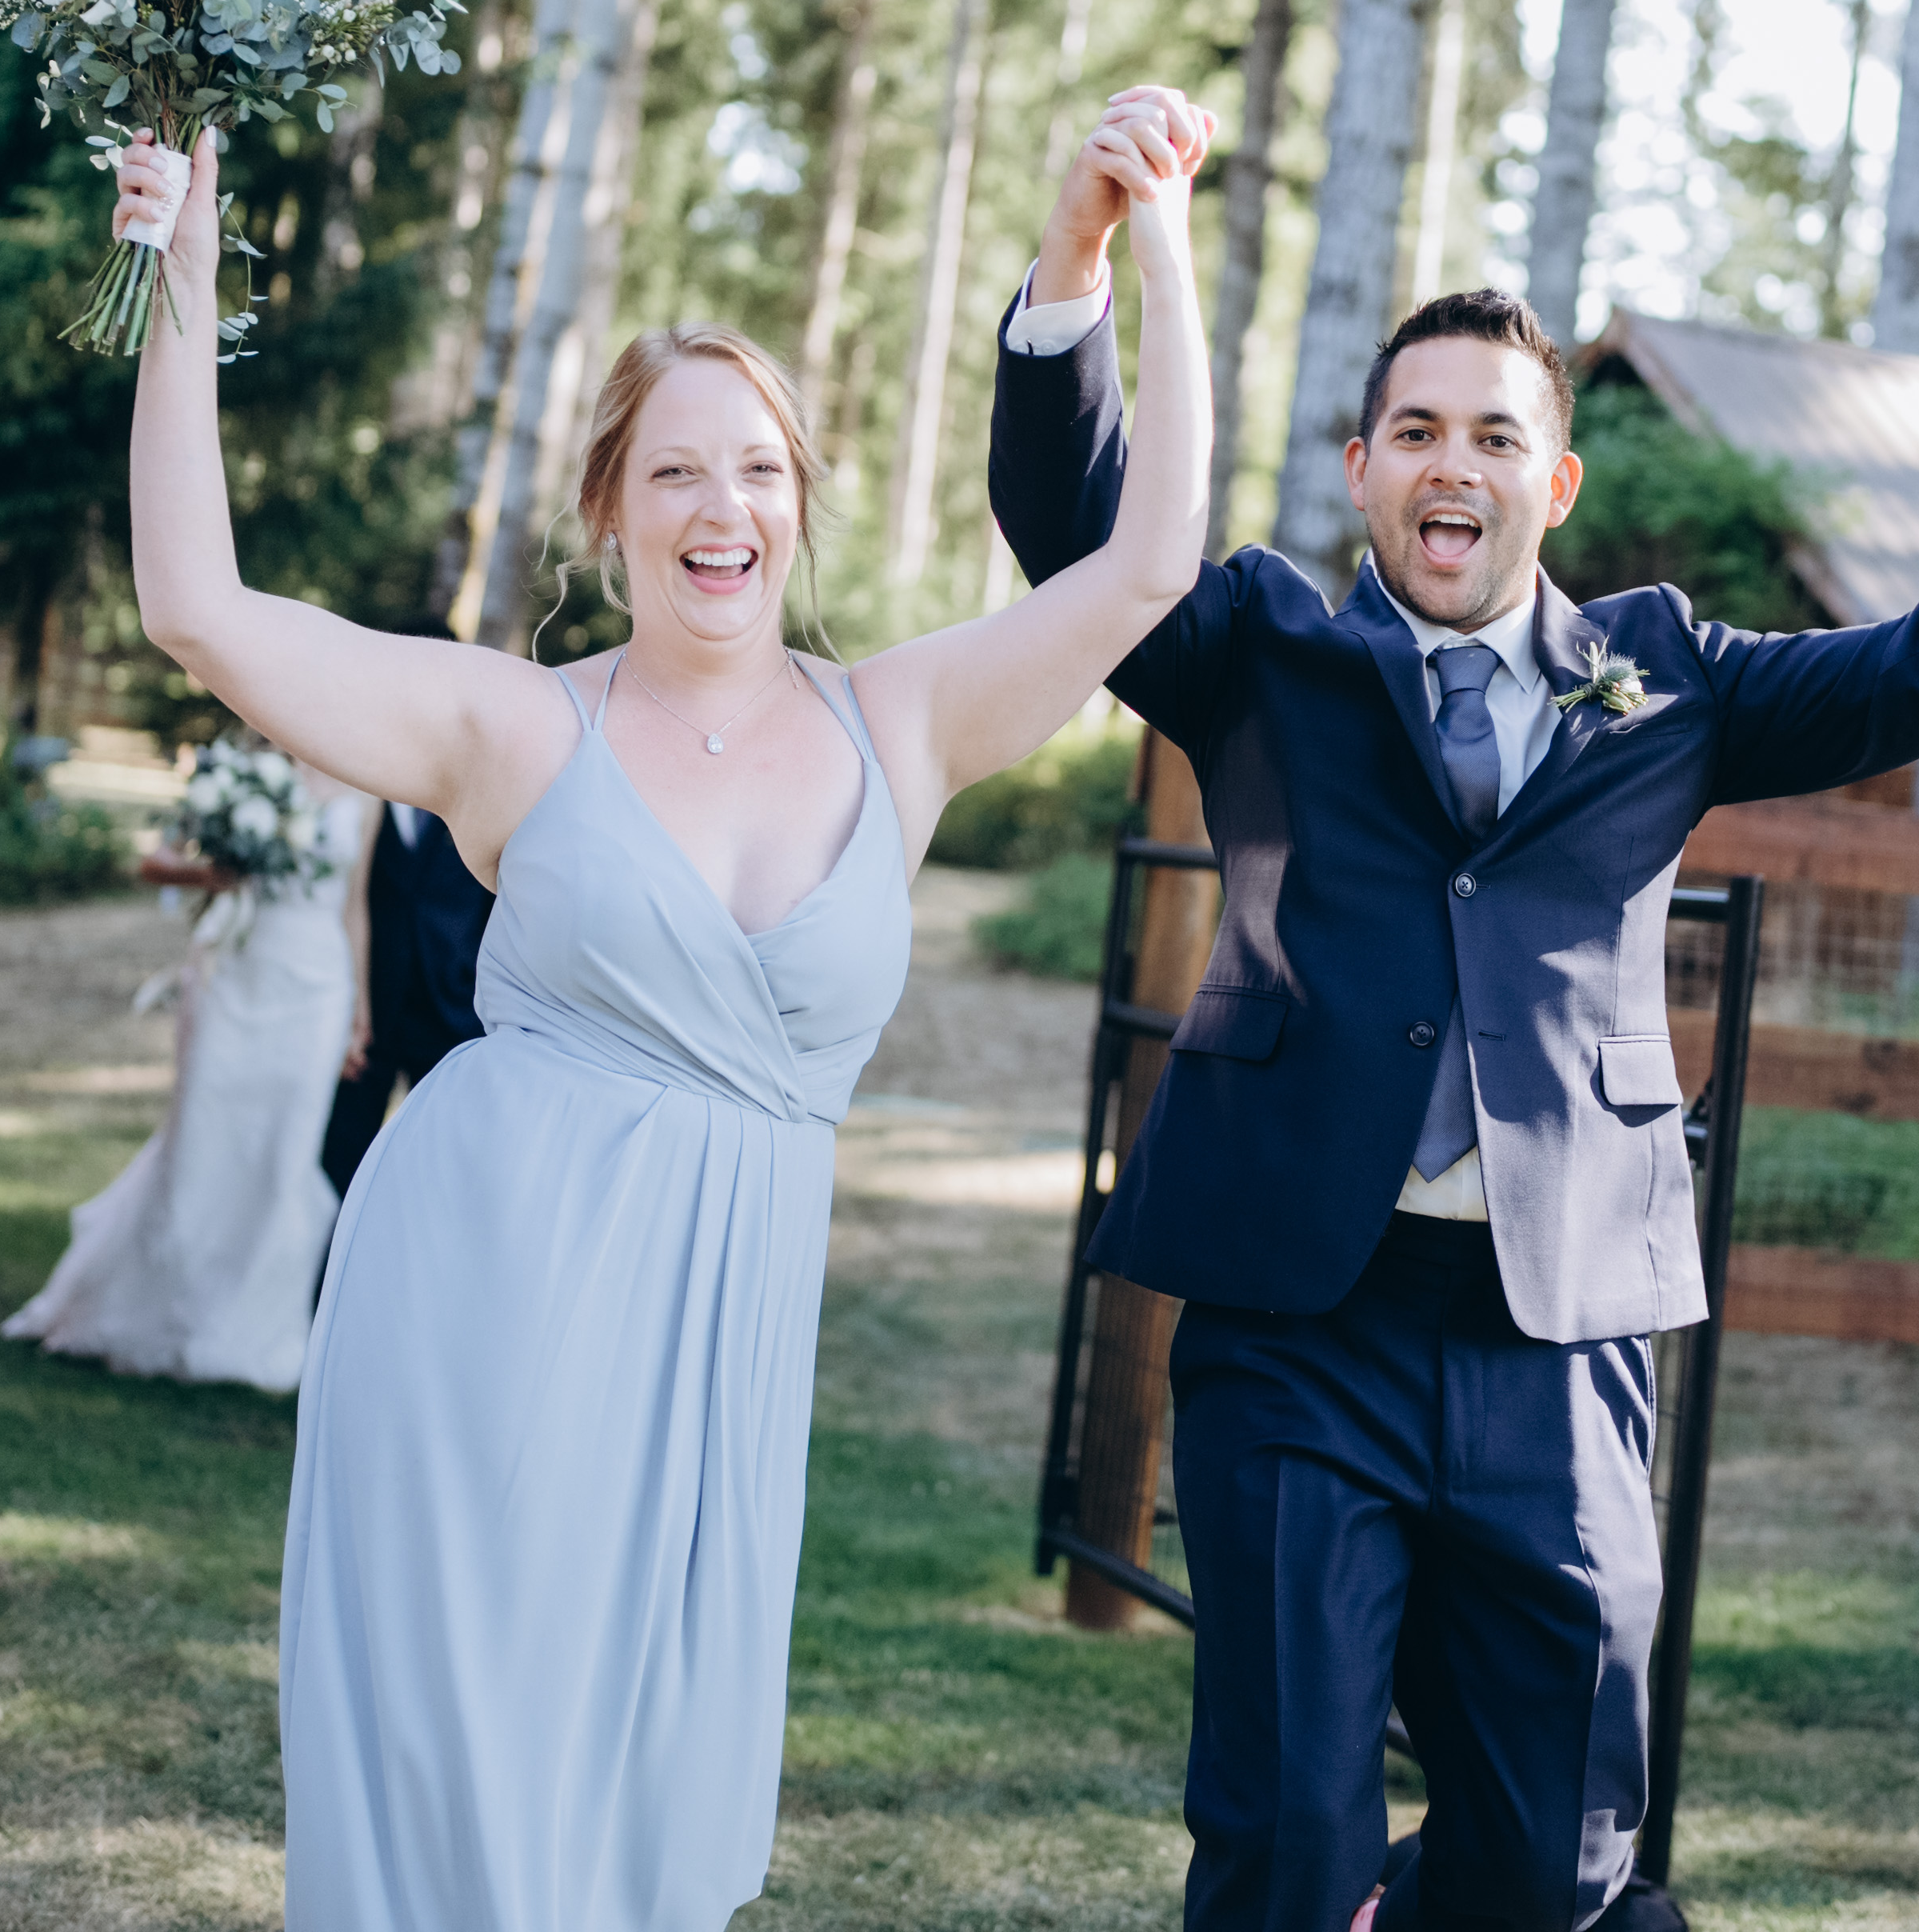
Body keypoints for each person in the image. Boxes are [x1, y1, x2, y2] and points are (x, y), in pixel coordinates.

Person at [989, 86, 1919, 1932]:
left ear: (1555, 485)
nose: (1450, 466)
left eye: (1494, 436)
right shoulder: (1258, 653)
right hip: (1298, 1321)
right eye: (1415, 431)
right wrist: (1079, 252)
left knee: (1555, 1860)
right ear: (1362, 467)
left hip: (1557, 1325)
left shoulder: (1664, 677)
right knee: (1286, 1833)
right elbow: (1073, 526)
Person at [104, 105, 1213, 1932]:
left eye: (758, 469)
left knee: (650, 1811)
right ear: (610, 507)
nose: (722, 508)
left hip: (722, 1337)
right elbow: (197, 610)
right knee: (466, 1786)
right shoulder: (514, 725)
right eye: (677, 471)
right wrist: (180, 268)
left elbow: (1150, 562)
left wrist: (1140, 229)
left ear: (799, 503)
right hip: (475, 1308)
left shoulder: (903, 720)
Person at [2, 751, 377, 1390]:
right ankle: (169, 1314)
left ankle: (256, 1329)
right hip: (236, 972)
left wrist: (359, 1007)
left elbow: (354, 906)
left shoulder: (369, 787)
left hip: (318, 990)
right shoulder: (240, 774)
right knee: (203, 1141)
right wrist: (216, 874)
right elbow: (155, 861)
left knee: (284, 1152)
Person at [315, 628, 496, 1199]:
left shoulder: (488, 776)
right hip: (370, 1004)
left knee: (447, 1171)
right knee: (340, 1160)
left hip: (454, 1006)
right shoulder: (356, 766)